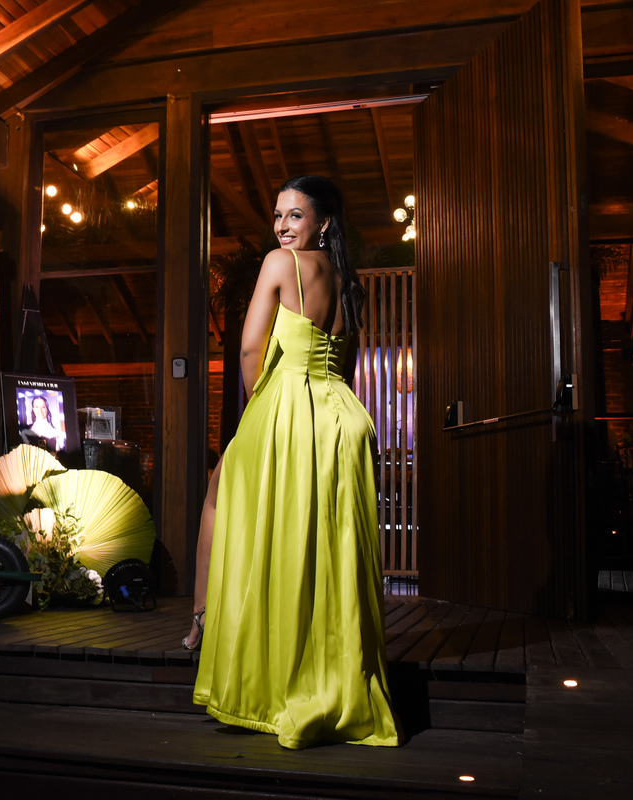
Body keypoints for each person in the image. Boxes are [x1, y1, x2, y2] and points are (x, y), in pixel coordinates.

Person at [188, 175, 401, 749]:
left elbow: (250, 348)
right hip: (342, 417)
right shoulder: (348, 280)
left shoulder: (280, 264)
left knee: (238, 511)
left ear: (322, 222)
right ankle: (324, 676)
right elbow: (348, 360)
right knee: (324, 545)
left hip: (286, 403)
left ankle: (215, 632)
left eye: (295, 216)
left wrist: (259, 407)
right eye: (278, 216)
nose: (282, 227)